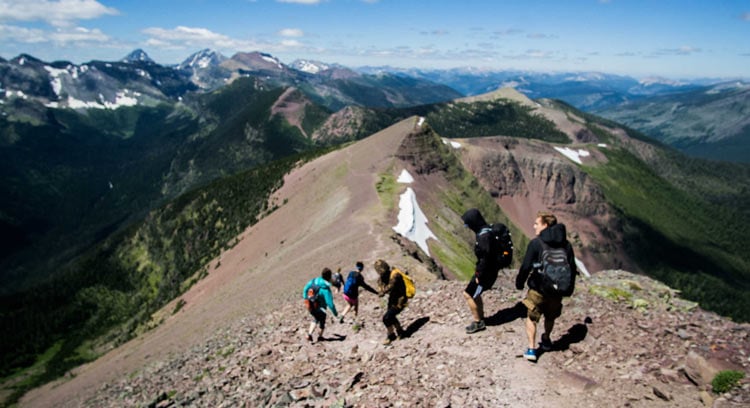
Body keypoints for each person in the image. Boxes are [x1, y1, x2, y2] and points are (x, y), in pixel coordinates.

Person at [515, 211, 577, 361]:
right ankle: (547, 339)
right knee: (550, 316)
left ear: (545, 225)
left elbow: (526, 266)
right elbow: (572, 268)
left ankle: (531, 349)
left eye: (537, 223)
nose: (534, 226)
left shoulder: (536, 243)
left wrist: (520, 282)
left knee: (531, 317)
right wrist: (569, 289)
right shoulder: (566, 245)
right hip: (557, 291)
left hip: (538, 289)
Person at [461, 208, 502, 334]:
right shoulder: (487, 231)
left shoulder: (483, 237)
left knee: (468, 294)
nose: (468, 227)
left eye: (468, 224)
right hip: (489, 271)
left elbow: (485, 258)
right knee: (475, 294)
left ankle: (478, 322)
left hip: (485, 273)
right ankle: (481, 318)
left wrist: (479, 274)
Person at [374, 259, 408, 345]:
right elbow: (380, 286)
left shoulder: (395, 275)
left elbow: (391, 286)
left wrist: (382, 291)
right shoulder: (382, 278)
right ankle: (400, 332)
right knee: (391, 317)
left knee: (386, 318)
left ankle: (391, 335)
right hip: (393, 299)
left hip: (400, 300)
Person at [302, 267, 340, 343]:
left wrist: (306, 298)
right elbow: (330, 304)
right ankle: (320, 337)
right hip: (320, 307)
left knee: (316, 318)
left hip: (309, 304)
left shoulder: (314, 280)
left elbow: (305, 288)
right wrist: (335, 313)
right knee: (322, 320)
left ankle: (309, 334)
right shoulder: (325, 289)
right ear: (329, 277)